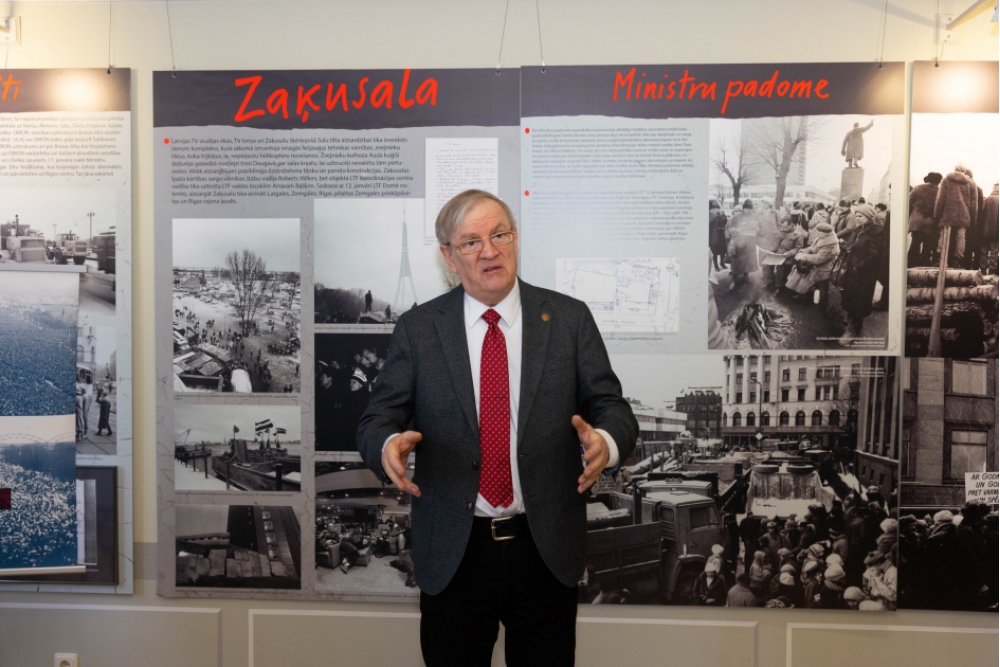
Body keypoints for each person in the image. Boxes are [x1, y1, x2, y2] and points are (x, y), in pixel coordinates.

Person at [357, 189, 638, 666]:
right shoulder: (419, 329)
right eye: (471, 242)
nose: (489, 251)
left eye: (499, 235)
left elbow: (612, 407)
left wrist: (605, 444)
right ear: (449, 257)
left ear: (515, 239)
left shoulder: (568, 319)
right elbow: (376, 419)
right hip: (455, 551)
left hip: (544, 547)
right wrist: (387, 444)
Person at [837, 202, 885, 344]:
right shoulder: (859, 229)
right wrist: (845, 246)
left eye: (860, 216)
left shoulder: (877, 232)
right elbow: (854, 246)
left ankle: (852, 329)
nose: (857, 218)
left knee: (858, 300)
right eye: (856, 215)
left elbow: (875, 254)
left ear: (869, 217)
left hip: (864, 273)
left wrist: (858, 267)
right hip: (853, 269)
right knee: (850, 296)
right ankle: (854, 321)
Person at [934, 165, 981, 268]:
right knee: (961, 236)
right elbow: (974, 204)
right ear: (964, 171)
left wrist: (936, 215)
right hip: (964, 214)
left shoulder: (946, 181)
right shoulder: (971, 183)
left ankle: (941, 259)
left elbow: (940, 200)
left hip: (948, 213)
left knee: (944, 236)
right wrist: (974, 219)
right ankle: (957, 259)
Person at [785, 220, 840, 303]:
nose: (817, 233)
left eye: (819, 232)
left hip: (823, 269)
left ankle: (804, 296)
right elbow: (812, 248)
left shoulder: (830, 244)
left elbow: (819, 259)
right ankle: (798, 291)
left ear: (825, 233)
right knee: (797, 269)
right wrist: (803, 251)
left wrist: (804, 257)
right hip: (816, 264)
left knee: (806, 275)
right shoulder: (822, 238)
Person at [908, 172, 943, 268]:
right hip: (931, 222)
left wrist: (908, 219)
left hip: (917, 220)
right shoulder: (940, 191)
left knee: (915, 242)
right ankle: (924, 263)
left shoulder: (918, 188)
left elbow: (909, 203)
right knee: (928, 244)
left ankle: (912, 262)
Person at [709, 199, 729, 272]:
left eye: (717, 208)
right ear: (711, 209)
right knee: (714, 252)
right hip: (713, 236)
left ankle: (722, 263)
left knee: (723, 251)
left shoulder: (722, 215)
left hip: (722, 235)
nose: (715, 210)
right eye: (714, 208)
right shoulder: (710, 216)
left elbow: (726, 223)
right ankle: (716, 265)